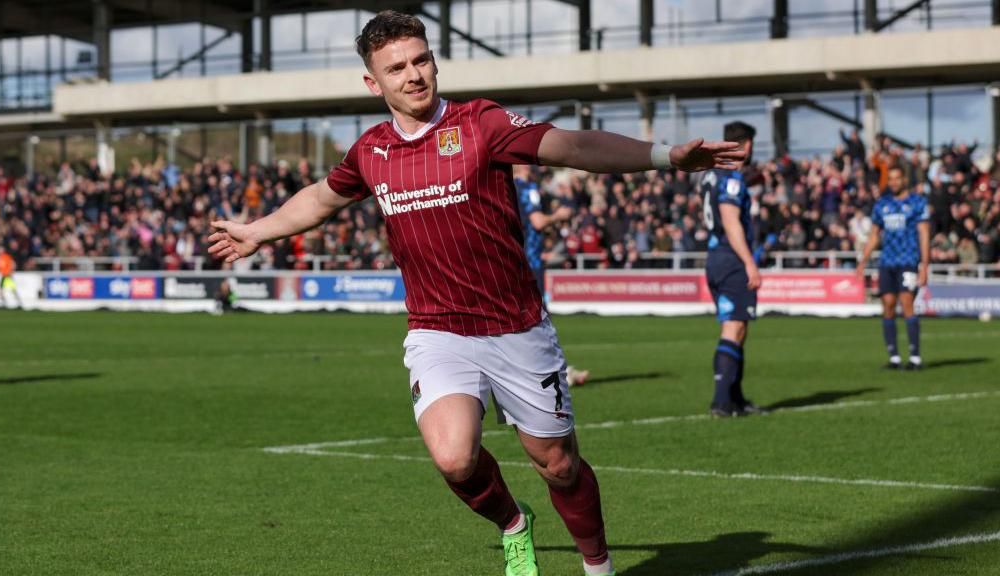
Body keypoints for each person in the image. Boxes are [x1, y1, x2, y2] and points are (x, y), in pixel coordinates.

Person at [208, 11, 743, 576]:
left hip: (517, 328)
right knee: (454, 458)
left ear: (433, 62)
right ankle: (514, 524)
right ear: (374, 83)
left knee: (559, 465)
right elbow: (322, 197)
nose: (413, 75)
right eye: (397, 68)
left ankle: (597, 564)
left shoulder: (480, 123)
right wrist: (257, 230)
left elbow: (573, 146)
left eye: (421, 60)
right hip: (438, 331)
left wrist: (663, 156)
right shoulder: (371, 151)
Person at [701, 121, 764, 417]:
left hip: (716, 256)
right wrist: (750, 262)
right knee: (733, 326)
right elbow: (730, 220)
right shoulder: (733, 178)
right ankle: (721, 400)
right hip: (731, 258)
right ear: (746, 145)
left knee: (740, 326)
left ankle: (735, 398)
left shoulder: (710, 176)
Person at [513, 164, 590, 386]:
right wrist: (559, 215)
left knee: (525, 320)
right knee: (540, 319)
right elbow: (538, 221)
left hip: (517, 259)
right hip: (531, 261)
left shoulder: (506, 186)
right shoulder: (528, 188)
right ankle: (557, 372)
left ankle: (545, 371)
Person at [856, 166, 930, 370]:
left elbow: (924, 235)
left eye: (897, 178)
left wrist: (924, 265)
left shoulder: (917, 202)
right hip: (887, 262)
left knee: (907, 302)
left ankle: (915, 358)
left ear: (904, 179)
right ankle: (894, 358)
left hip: (908, 260)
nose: (894, 182)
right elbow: (874, 235)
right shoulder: (882, 204)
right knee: (887, 305)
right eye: (891, 179)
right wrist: (863, 261)